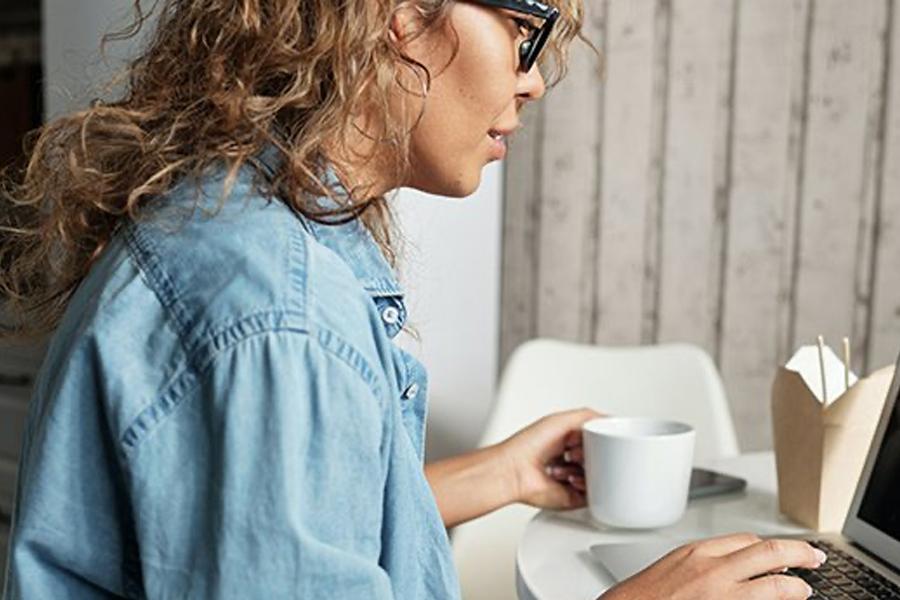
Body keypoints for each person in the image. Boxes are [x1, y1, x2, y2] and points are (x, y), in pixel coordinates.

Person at [0, 0, 825, 598]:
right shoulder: (280, 319)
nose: (533, 82)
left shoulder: (240, 226)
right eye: (522, 30)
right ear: (399, 14)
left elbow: (282, 531)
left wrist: (503, 473)